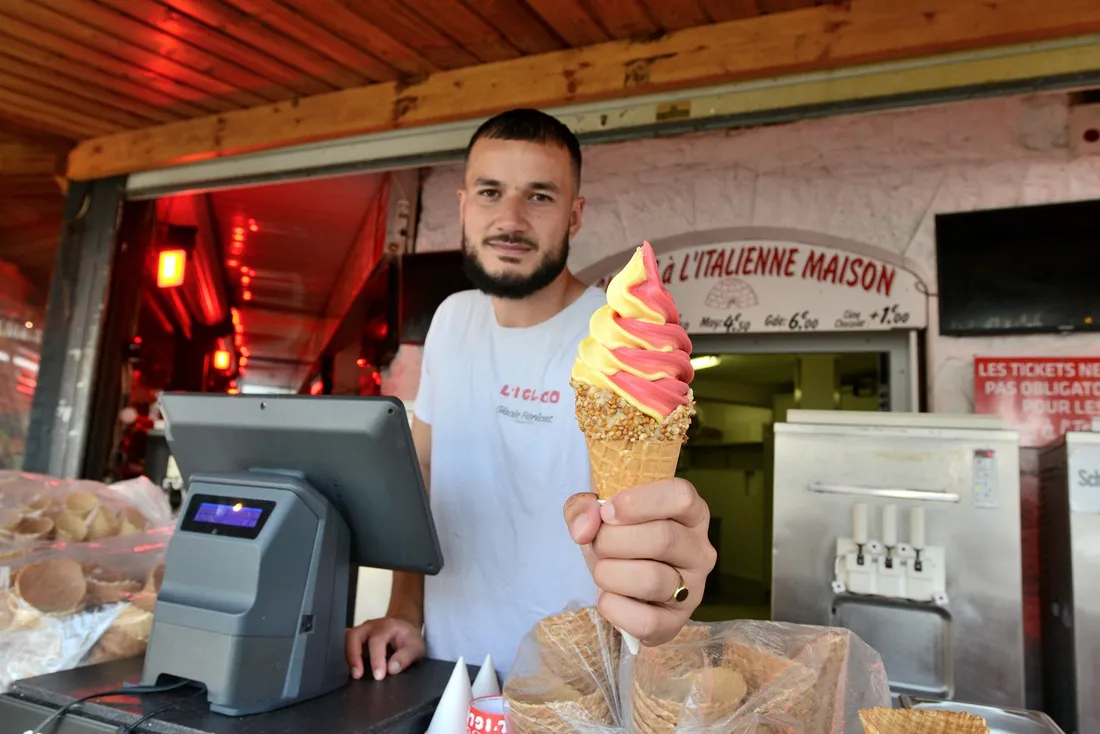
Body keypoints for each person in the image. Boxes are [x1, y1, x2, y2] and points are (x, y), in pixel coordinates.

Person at [345, 108, 717, 682]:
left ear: (574, 215)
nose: (510, 219)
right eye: (491, 193)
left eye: (539, 197)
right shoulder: (451, 320)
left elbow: (648, 521)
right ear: (465, 204)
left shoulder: (614, 339)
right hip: (445, 667)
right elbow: (421, 470)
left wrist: (672, 588)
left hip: (572, 684)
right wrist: (405, 612)